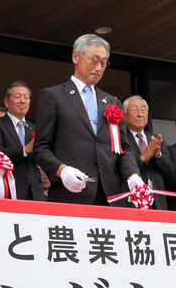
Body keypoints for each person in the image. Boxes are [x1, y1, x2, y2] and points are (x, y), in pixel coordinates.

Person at [32, 34, 142, 206]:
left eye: (104, 62)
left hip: (112, 195)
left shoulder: (112, 102)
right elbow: (41, 148)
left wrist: (133, 175)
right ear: (76, 57)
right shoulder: (53, 96)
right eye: (94, 60)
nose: (99, 68)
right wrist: (62, 170)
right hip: (71, 192)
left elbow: (124, 148)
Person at [0, 81, 45, 200]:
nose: (23, 101)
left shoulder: (35, 127)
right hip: (11, 187)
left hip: (35, 190)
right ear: (6, 102)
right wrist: (25, 150)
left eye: (26, 97)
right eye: (18, 97)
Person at [122, 96, 171, 210]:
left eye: (143, 111)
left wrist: (158, 156)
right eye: (135, 110)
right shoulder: (120, 138)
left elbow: (171, 171)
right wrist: (142, 158)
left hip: (157, 202)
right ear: (124, 115)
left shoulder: (156, 139)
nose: (140, 114)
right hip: (131, 201)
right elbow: (117, 167)